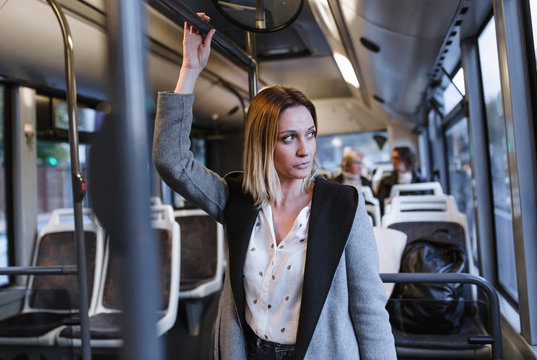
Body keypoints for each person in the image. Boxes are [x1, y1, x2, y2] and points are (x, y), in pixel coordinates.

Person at [153, 14, 396, 360]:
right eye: (289, 138)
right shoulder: (238, 199)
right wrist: (190, 69)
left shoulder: (343, 206)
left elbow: (369, 309)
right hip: (248, 351)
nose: (305, 149)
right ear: (264, 144)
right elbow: (171, 161)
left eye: (310, 134)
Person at [376, 146, 427, 213]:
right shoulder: (385, 182)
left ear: (407, 159)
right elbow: (381, 206)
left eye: (397, 158)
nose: (393, 161)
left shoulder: (422, 182)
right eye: (392, 158)